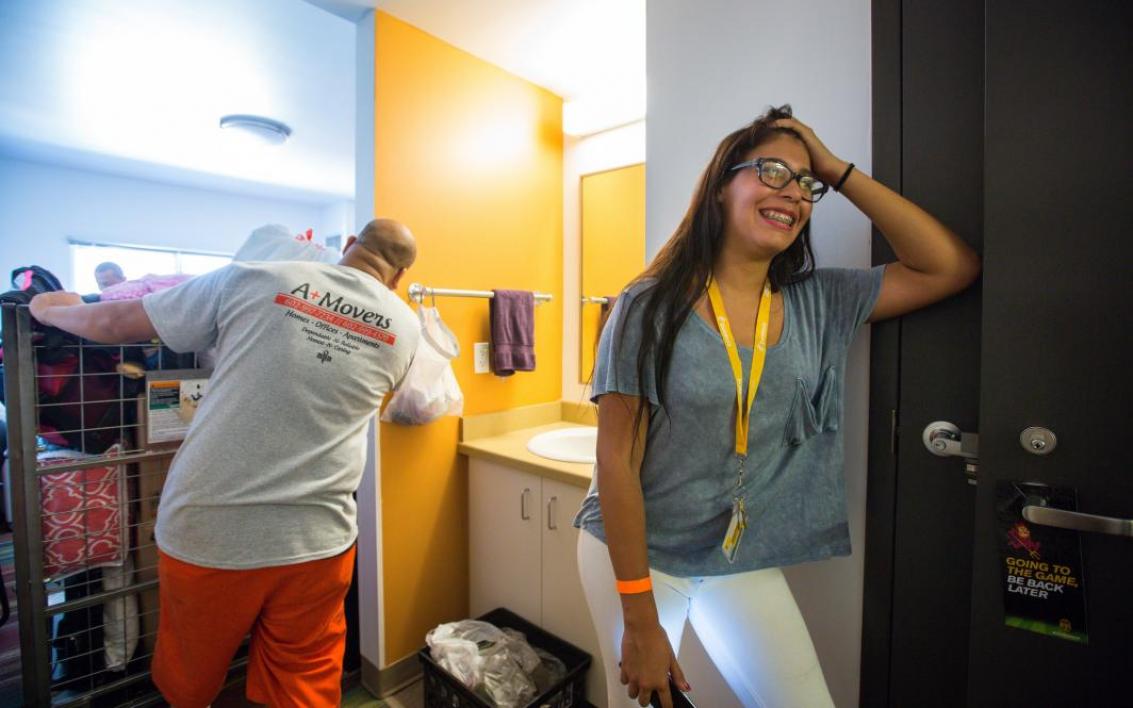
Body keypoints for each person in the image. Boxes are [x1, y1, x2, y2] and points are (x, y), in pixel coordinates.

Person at [572, 105, 980, 708]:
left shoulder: (822, 301)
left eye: (805, 182)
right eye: (770, 171)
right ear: (718, 188)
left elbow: (950, 266)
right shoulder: (649, 304)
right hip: (640, 556)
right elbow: (614, 462)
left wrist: (836, 170)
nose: (793, 192)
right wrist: (639, 620)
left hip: (741, 554)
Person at [30, 219, 421, 707]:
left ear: (347, 246)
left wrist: (49, 308)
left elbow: (113, 324)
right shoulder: (406, 328)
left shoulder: (259, 276)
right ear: (399, 276)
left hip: (212, 531)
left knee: (191, 674)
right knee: (301, 680)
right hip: (319, 540)